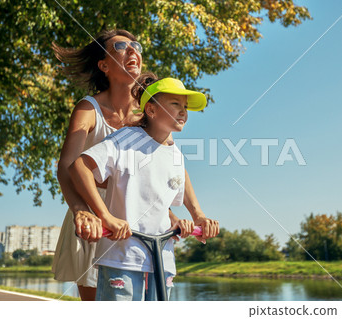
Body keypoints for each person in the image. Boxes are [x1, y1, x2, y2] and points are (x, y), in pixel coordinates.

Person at [51, 29, 219, 301]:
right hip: (95, 214)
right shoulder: (88, 108)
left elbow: (170, 166)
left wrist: (182, 215)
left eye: (136, 46)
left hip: (139, 218)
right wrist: (83, 211)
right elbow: (68, 165)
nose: (133, 51)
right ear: (103, 65)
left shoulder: (151, 111)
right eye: (121, 46)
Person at [69, 73, 208, 301]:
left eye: (185, 107)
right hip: (122, 255)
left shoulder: (175, 154)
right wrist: (105, 216)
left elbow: (165, 201)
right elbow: (79, 167)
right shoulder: (127, 139)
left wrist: (192, 218)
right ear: (151, 111)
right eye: (175, 104)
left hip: (162, 260)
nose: (183, 111)